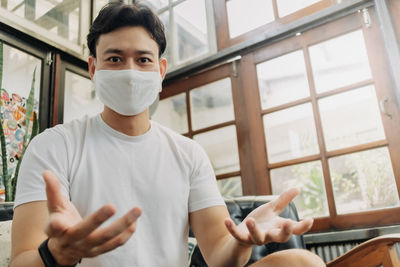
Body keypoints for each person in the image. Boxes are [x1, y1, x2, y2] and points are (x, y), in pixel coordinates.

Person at [10, 2, 325, 267]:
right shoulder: (54, 147)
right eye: (115, 59)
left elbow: (219, 253)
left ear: (160, 70)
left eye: (143, 60)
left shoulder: (188, 155)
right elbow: (21, 260)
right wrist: (56, 253)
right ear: (94, 68)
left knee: (302, 262)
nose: (130, 71)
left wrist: (243, 241)